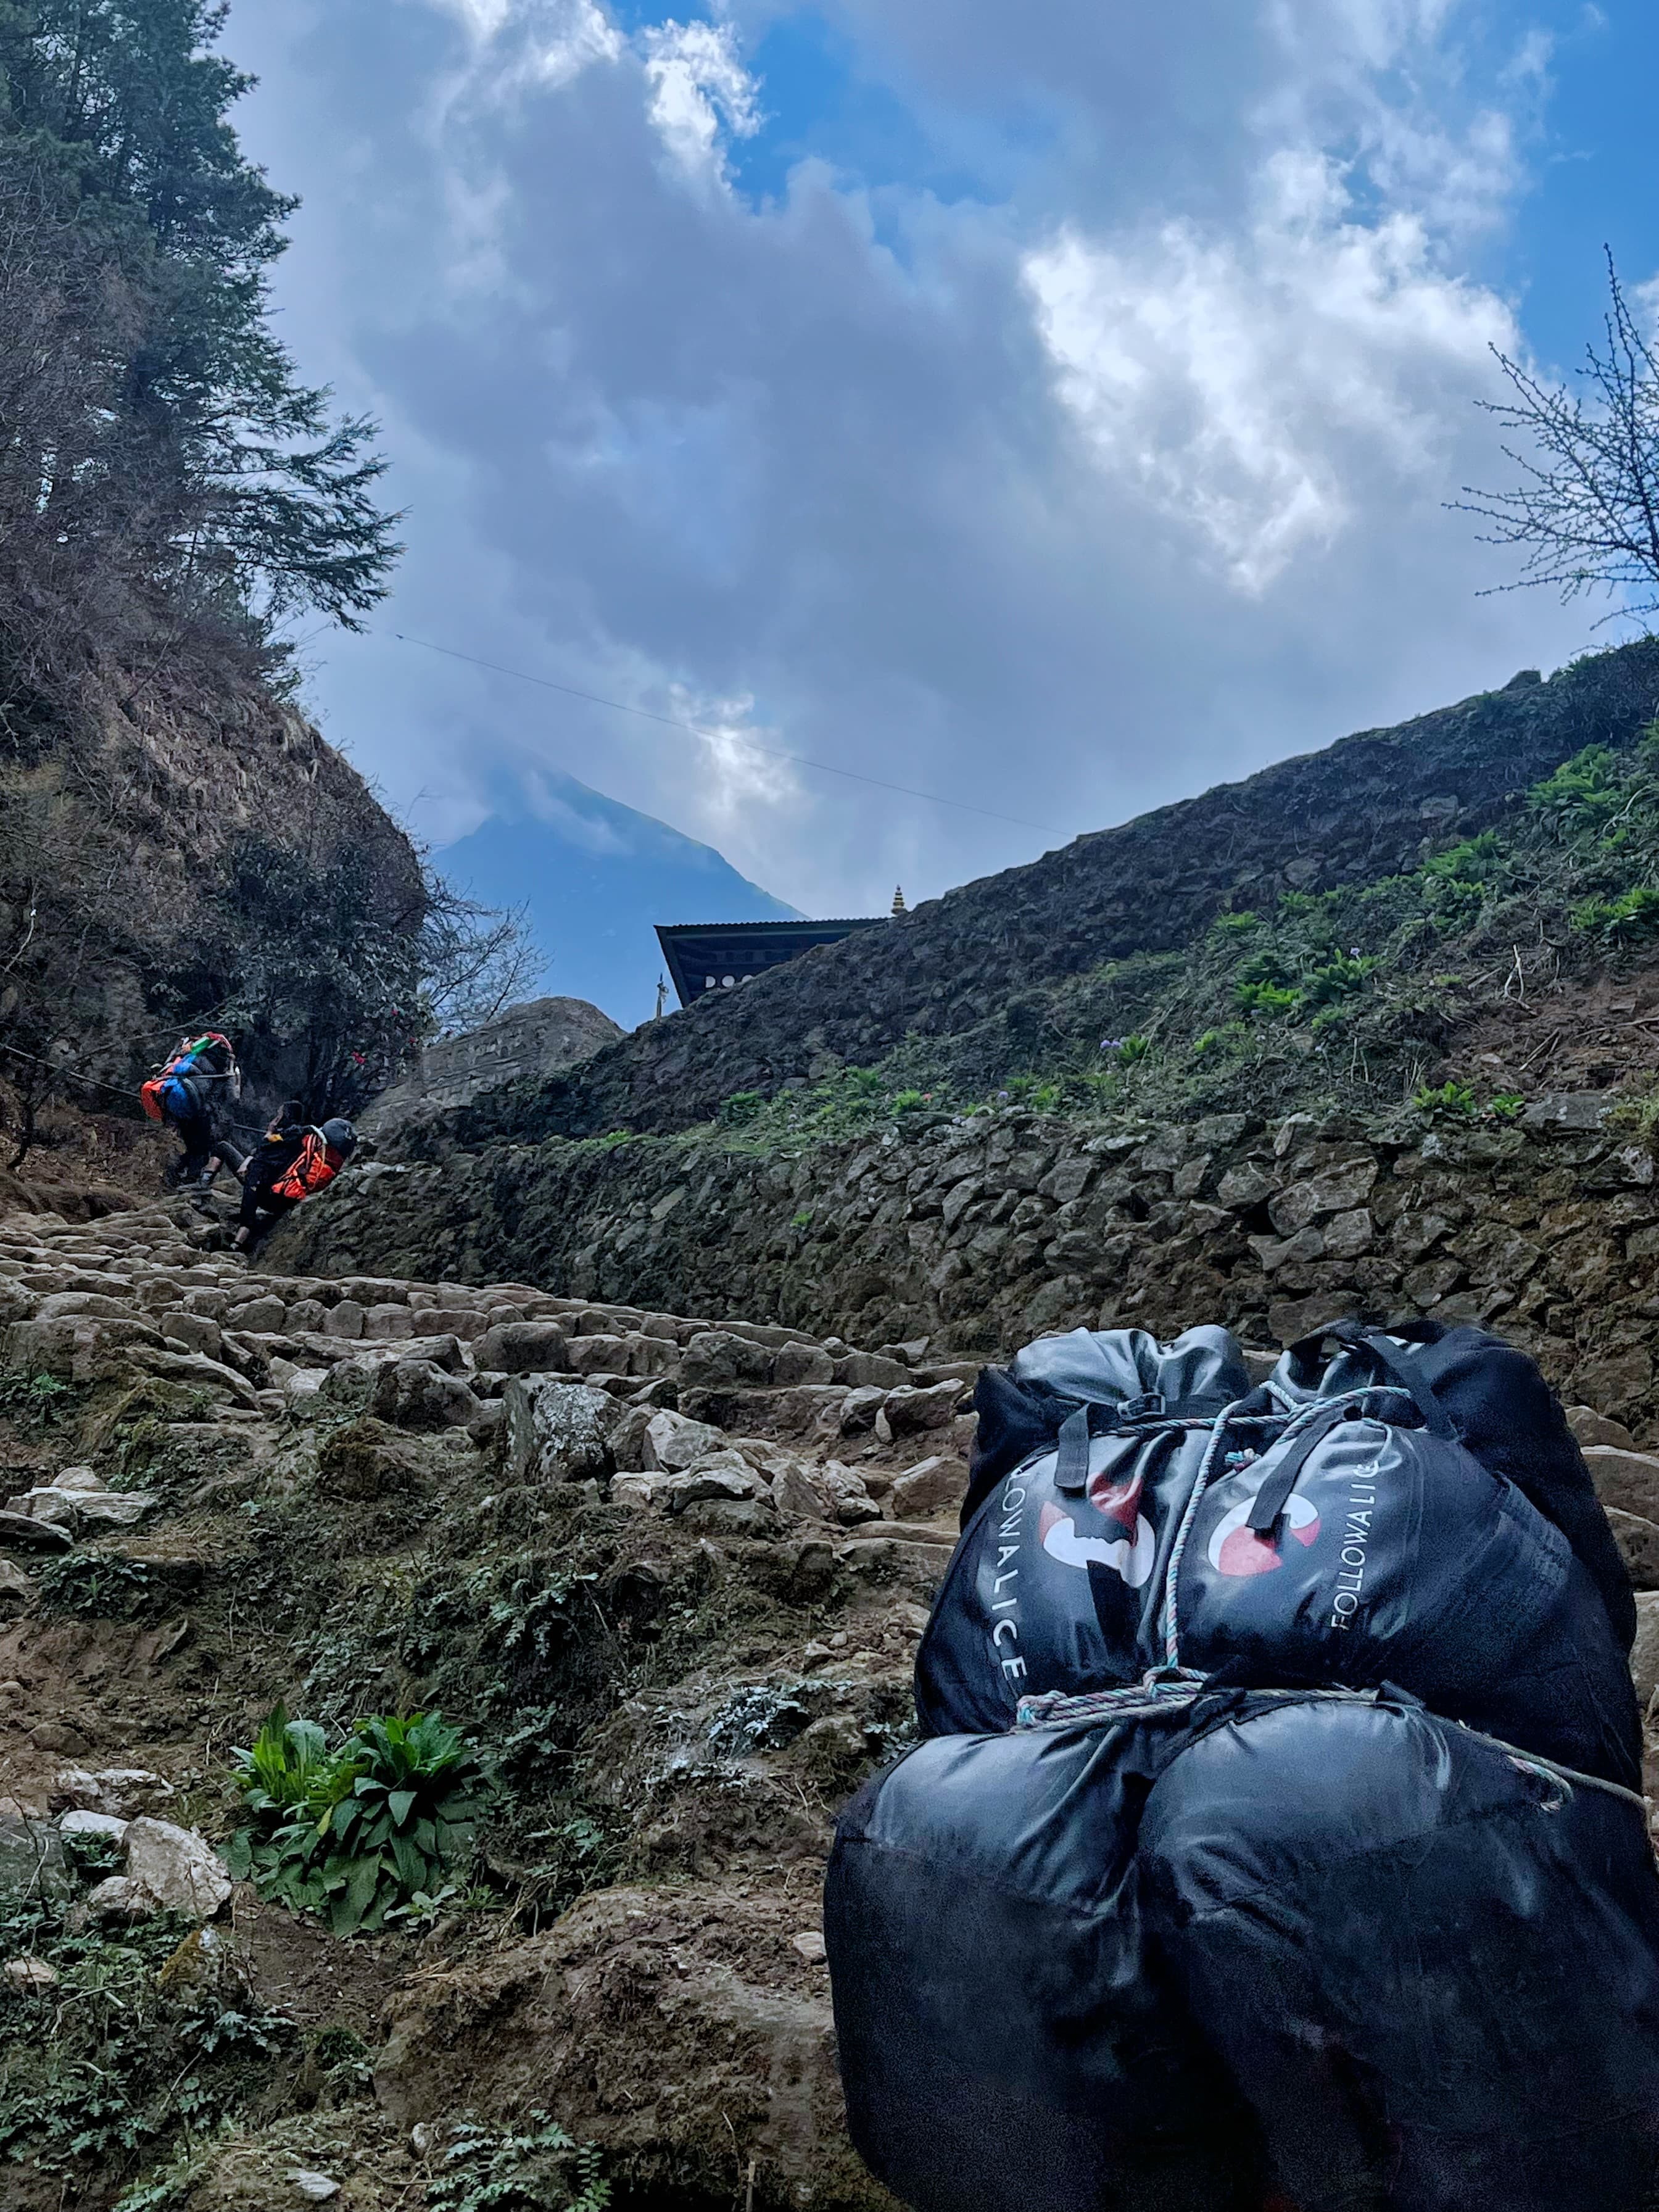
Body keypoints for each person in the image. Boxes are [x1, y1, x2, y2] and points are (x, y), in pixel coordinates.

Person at [234, 1115, 357, 1254]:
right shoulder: (333, 1160)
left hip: (273, 1196)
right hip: (292, 1201)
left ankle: (238, 1241)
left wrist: (269, 1135)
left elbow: (268, 1144)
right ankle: (240, 1239)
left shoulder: (301, 1139)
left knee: (233, 1156)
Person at [141, 1032, 241, 1191]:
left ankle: (175, 1174)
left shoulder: (191, 1057)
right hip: (201, 1111)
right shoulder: (223, 1065)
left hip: (180, 1108)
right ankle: (189, 1183)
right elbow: (232, 1098)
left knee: (192, 1146)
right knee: (201, 1150)